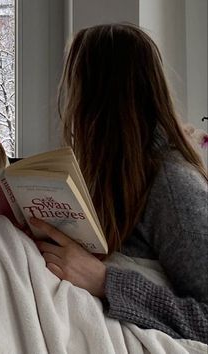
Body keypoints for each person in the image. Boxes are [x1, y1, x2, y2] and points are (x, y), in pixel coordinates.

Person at [32, 23, 208, 343]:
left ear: (98, 100)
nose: (68, 103)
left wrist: (105, 281)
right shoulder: (106, 175)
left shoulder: (173, 186)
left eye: (74, 85)